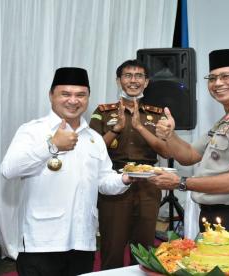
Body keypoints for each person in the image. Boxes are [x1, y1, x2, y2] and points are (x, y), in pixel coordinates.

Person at [0, 67, 132, 276]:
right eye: (66, 94)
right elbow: (9, 169)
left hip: (83, 241)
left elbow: (104, 181)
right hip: (42, 242)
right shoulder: (33, 130)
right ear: (51, 95)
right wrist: (51, 146)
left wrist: (126, 178)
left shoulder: (94, 138)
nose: (73, 100)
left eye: (81, 95)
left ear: (88, 98)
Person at [148, 49, 229, 246]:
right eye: (212, 78)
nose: (217, 83)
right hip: (217, 217)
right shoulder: (228, 119)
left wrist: (181, 182)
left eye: (226, 76)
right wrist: (169, 135)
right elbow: (189, 155)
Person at [89, 59, 169, 269]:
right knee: (112, 246)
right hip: (113, 182)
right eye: (127, 76)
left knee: (144, 247)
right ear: (118, 81)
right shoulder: (104, 111)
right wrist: (115, 129)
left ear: (147, 82)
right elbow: (91, 151)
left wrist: (140, 127)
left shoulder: (158, 114)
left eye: (139, 76)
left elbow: (165, 150)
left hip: (149, 185)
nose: (133, 81)